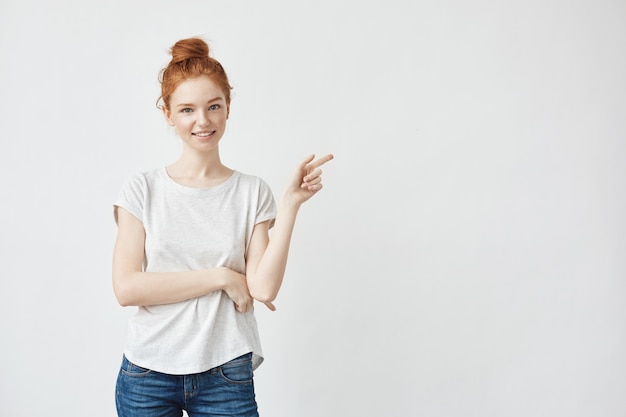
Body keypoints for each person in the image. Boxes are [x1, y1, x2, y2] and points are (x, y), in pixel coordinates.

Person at [111, 37, 333, 417]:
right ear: (168, 114)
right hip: (148, 372)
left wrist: (290, 205)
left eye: (213, 106)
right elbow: (127, 288)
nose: (203, 121)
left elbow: (262, 287)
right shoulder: (142, 189)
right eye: (187, 110)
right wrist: (222, 277)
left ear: (228, 108)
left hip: (225, 371)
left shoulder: (250, 192)